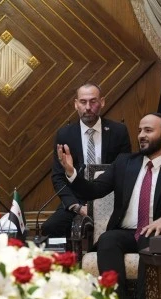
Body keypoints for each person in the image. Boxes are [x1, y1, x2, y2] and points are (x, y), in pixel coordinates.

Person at [58, 113, 161, 299]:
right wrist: (71, 172)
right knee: (108, 239)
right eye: (140, 130)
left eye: (148, 130)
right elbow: (94, 190)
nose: (141, 135)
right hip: (125, 232)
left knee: (150, 239)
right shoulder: (124, 162)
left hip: (155, 232)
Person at [42, 82, 131, 237]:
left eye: (93, 101)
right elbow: (58, 177)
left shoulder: (118, 131)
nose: (88, 107)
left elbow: (126, 172)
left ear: (102, 102)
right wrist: (75, 206)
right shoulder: (64, 134)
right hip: (78, 199)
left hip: (110, 197)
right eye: (83, 102)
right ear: (76, 104)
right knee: (51, 227)